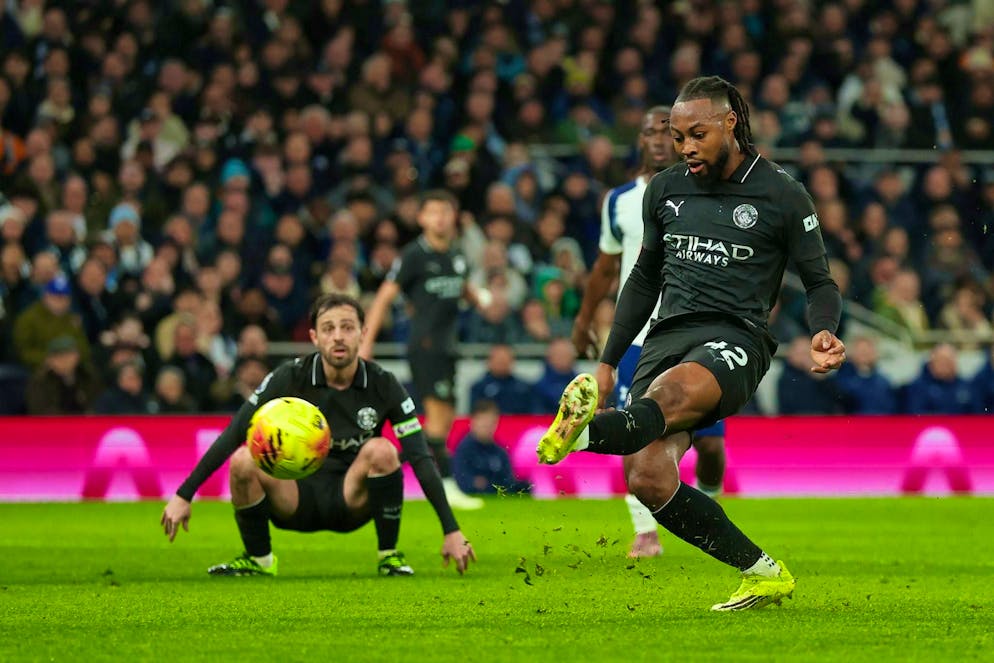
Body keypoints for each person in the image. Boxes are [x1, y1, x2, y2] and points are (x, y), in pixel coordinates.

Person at [536, 76, 845, 611]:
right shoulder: (666, 188)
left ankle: (578, 437)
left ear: (730, 123)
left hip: (736, 338)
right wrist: (608, 360)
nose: (685, 148)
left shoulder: (781, 193)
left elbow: (820, 282)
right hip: (666, 334)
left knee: (671, 397)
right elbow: (641, 279)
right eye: (678, 137)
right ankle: (762, 572)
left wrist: (822, 330)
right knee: (648, 477)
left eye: (696, 134)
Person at [161, 294, 476, 577]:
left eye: (347, 327)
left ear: (363, 334)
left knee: (382, 449)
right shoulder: (290, 377)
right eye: (328, 328)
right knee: (244, 459)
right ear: (314, 337)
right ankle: (259, 561)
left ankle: (389, 557)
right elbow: (233, 433)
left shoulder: (384, 384)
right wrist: (184, 494)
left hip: (351, 501)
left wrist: (451, 530)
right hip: (293, 498)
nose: (338, 336)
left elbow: (420, 457)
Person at [571, 105, 728, 559]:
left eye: (668, 132)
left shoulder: (704, 191)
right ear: (640, 141)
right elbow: (605, 268)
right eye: (651, 132)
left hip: (697, 331)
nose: (660, 140)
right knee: (635, 430)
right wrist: (583, 321)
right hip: (640, 337)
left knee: (713, 447)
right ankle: (645, 531)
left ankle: (708, 498)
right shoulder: (619, 200)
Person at [361, 190, 485, 510]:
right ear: (421, 219)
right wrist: (366, 344)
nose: (440, 218)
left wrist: (481, 299)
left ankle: (382, 467)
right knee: (437, 419)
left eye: (445, 211)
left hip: (448, 345)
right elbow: (384, 298)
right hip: (425, 345)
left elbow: (463, 288)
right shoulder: (414, 254)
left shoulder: (455, 255)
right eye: (433, 212)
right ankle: (440, 483)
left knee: (441, 422)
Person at [452, 399, 530, 496]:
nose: (487, 427)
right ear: (473, 422)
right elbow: (464, 483)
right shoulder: (463, 450)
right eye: (483, 423)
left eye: (491, 423)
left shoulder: (500, 452)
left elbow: (509, 483)